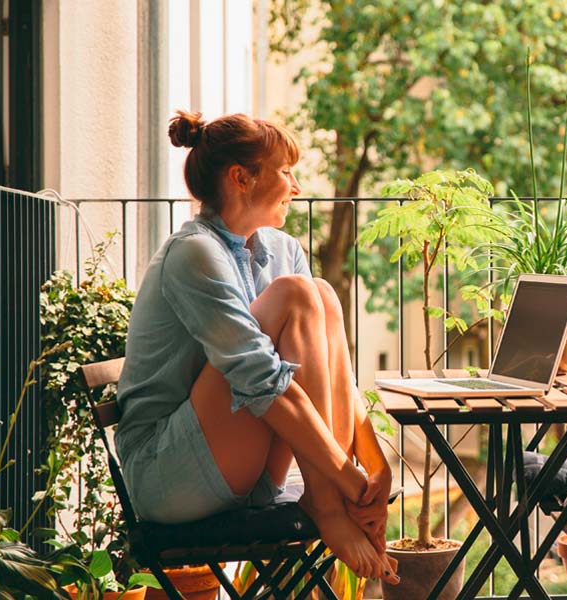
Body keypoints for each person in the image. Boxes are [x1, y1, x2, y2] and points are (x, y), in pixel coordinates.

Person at [115, 110, 398, 583]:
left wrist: (374, 465)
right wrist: (347, 486)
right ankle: (325, 503)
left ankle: (328, 496)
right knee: (297, 295)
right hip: (168, 475)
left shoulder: (282, 250)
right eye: (286, 172)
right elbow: (262, 382)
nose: (296, 186)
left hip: (239, 463)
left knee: (320, 294)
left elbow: (327, 372)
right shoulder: (194, 254)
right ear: (241, 178)